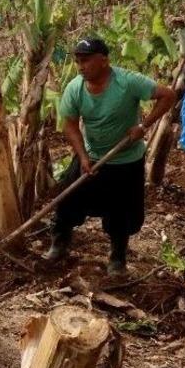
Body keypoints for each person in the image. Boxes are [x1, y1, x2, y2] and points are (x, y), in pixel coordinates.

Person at [47, 37, 177, 276]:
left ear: (104, 60)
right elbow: (70, 125)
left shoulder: (127, 82)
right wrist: (83, 156)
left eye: (86, 60)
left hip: (126, 160)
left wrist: (144, 126)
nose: (80, 66)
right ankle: (59, 244)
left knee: (122, 211)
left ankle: (118, 258)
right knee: (67, 199)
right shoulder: (75, 88)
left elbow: (168, 95)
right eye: (78, 61)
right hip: (93, 156)